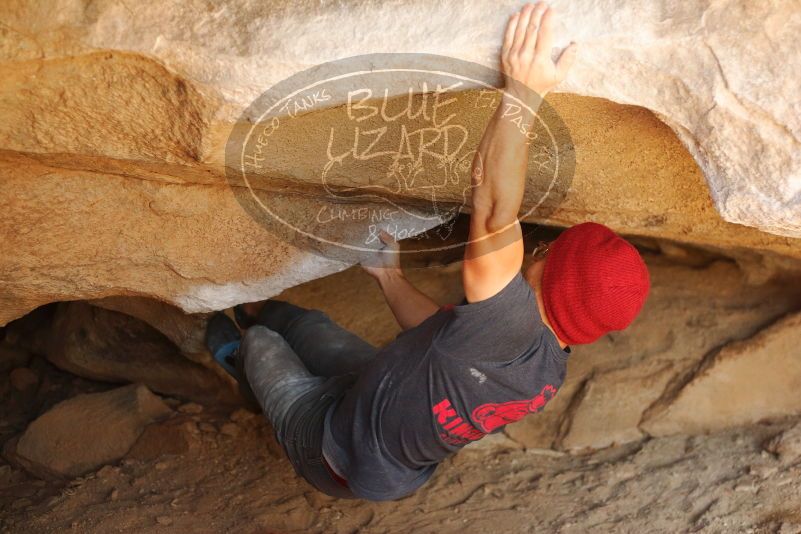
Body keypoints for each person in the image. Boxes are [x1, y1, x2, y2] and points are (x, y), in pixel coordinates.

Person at [205, 2, 650, 501]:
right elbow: (441, 339)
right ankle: (257, 310)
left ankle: (230, 348)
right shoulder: (547, 367)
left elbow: (492, 209)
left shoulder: (509, 319)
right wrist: (390, 279)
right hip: (378, 415)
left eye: (551, 248)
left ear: (554, 273)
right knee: (307, 326)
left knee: (264, 344)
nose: (539, 247)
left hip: (333, 453)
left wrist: (525, 92)